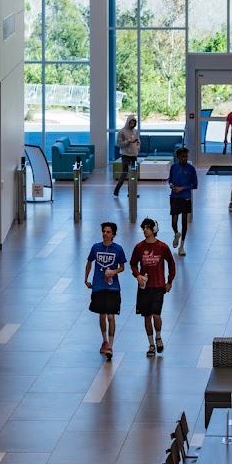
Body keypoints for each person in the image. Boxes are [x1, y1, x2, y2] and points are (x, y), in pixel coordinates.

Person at [130, 218, 176, 357]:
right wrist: (137, 275)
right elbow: (133, 263)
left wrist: (169, 282)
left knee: (156, 315)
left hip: (158, 286)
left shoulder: (162, 247)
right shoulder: (139, 247)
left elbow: (171, 264)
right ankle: (151, 344)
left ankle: (158, 336)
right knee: (146, 316)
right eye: (143, 227)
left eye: (148, 227)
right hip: (144, 287)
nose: (145, 230)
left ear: (154, 229)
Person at [85, 221, 127, 359]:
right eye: (104, 231)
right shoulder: (96, 247)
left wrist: (114, 271)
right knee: (102, 315)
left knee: (111, 316)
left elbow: (122, 267)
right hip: (98, 286)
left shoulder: (118, 249)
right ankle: (104, 340)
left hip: (113, 287)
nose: (105, 234)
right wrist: (86, 279)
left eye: (108, 232)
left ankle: (111, 345)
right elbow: (89, 262)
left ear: (113, 234)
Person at [168, 147, 198, 255]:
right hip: (174, 196)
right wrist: (171, 185)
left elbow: (194, 185)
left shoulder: (191, 169)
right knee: (174, 221)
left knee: (184, 221)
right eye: (182, 157)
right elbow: (170, 179)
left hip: (185, 197)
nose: (185, 159)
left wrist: (183, 188)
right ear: (178, 157)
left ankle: (182, 245)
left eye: (186, 157)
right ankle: (176, 233)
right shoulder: (173, 167)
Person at [114, 114, 141, 196]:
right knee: (124, 173)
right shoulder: (121, 131)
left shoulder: (135, 131)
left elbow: (139, 141)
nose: (132, 125)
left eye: (134, 123)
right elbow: (119, 144)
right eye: (131, 123)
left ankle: (131, 192)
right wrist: (128, 141)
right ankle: (116, 190)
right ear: (128, 122)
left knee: (133, 174)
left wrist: (137, 148)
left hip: (134, 155)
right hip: (125, 155)